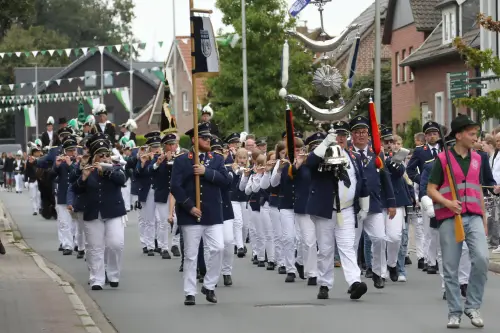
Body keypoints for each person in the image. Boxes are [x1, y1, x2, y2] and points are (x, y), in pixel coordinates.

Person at [427, 114, 490, 329]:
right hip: (449, 218)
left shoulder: (479, 159)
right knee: (451, 268)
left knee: (482, 259)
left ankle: (472, 306)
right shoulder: (443, 159)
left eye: (476, 133)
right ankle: (454, 312)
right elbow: (431, 189)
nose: (476, 137)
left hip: (473, 216)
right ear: (459, 135)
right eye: (472, 134)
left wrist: (484, 218)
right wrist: (447, 202)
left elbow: (478, 189)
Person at [170, 122, 230, 306]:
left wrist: (207, 172)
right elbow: (175, 187)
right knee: (190, 255)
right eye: (205, 138)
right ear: (195, 139)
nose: (208, 140)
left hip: (213, 213)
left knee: (219, 248)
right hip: (191, 215)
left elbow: (226, 182)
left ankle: (209, 285)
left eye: (210, 137)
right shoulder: (182, 160)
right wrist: (189, 206)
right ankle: (189, 292)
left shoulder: (218, 159)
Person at [72, 132, 127, 290]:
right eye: (100, 155)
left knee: (116, 244)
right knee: (95, 247)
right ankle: (97, 278)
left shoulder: (116, 168)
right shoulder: (88, 169)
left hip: (114, 212)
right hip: (93, 212)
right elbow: (75, 189)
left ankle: (113, 273)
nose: (104, 157)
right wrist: (83, 177)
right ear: (94, 157)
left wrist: (106, 170)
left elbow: (122, 180)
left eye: (106, 155)